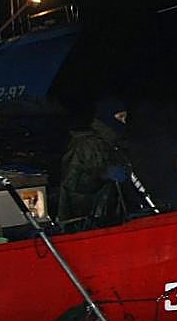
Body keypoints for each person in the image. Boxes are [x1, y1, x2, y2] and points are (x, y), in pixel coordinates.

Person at [56, 96, 132, 226]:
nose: (123, 122)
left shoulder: (115, 144)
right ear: (106, 118)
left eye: (125, 117)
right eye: (120, 117)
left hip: (112, 217)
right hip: (85, 223)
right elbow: (71, 185)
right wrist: (101, 176)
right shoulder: (84, 145)